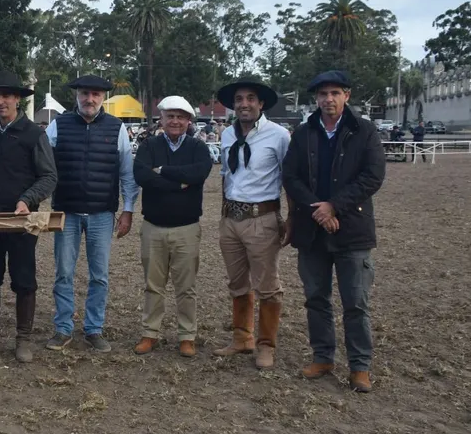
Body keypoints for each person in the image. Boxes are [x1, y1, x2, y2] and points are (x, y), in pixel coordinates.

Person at [283, 70, 386, 393]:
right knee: (316, 299)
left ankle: (360, 366)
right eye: (323, 94)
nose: (328, 99)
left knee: (355, 302)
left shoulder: (364, 130)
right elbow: (291, 176)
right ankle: (323, 356)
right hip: (312, 230)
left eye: (335, 93)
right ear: (316, 98)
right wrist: (318, 209)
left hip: (351, 230)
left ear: (347, 96)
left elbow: (372, 176)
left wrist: (334, 206)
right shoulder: (304, 133)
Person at [44, 75, 138, 354]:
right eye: (85, 93)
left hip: (101, 214)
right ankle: (63, 328)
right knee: (63, 273)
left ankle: (94, 329)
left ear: (103, 98)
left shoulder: (117, 128)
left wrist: (128, 210)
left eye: (96, 94)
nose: (90, 99)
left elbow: (127, 173)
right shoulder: (58, 125)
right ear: (77, 95)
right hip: (67, 212)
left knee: (99, 276)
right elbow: (43, 167)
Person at [0, 70, 57, 363]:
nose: (1, 101)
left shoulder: (34, 134)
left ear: (18, 99)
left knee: (23, 278)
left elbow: (49, 176)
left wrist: (27, 199)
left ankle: (23, 339)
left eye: (6, 96)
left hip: (23, 221)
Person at [212, 75, 291, 370]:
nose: (244, 104)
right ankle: (242, 337)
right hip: (231, 218)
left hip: (262, 218)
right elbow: (226, 176)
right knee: (237, 283)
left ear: (261, 103)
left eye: (250, 99)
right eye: (238, 100)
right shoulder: (227, 135)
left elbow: (289, 178)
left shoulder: (278, 135)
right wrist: (224, 213)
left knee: (267, 286)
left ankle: (266, 345)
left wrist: (290, 218)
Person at [131, 96, 213, 356]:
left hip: (187, 228)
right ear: (162, 119)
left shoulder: (198, 147)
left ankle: (187, 336)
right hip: (153, 227)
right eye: (170, 116)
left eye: (180, 117)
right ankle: (150, 333)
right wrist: (180, 183)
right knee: (153, 285)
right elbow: (142, 176)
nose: (175, 121)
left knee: (186, 287)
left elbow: (199, 173)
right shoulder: (149, 145)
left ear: (188, 121)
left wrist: (162, 170)